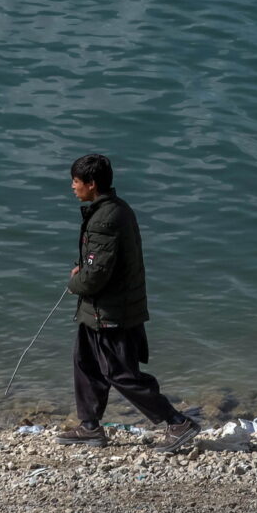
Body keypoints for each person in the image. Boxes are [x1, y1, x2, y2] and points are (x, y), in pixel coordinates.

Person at [55, 153, 200, 452]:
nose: (72, 186)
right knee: (85, 363)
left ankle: (176, 422)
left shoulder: (105, 220)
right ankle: (90, 426)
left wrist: (75, 283)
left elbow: (97, 275)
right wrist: (86, 272)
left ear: (92, 184)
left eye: (76, 181)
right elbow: (104, 263)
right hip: (100, 309)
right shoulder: (115, 210)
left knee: (120, 373)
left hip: (111, 312)